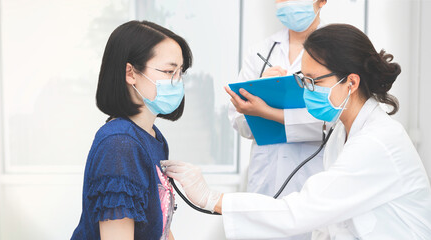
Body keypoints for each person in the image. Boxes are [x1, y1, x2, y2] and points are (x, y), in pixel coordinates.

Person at [162, 24, 431, 239]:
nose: (306, 90)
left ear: (351, 82)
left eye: (314, 82)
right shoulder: (341, 133)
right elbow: (331, 221)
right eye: (303, 80)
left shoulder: (377, 141)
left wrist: (213, 199)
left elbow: (302, 211)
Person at [70, 20, 192, 240]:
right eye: (168, 71)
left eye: (180, 73)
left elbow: (161, 226)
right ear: (130, 73)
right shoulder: (119, 144)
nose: (178, 82)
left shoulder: (153, 137)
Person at [227, 1, 327, 239]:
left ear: (322, 1)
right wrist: (260, 90)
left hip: (312, 182)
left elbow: (331, 123)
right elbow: (238, 120)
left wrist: (268, 112)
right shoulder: (261, 50)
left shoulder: (337, 52)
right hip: (265, 180)